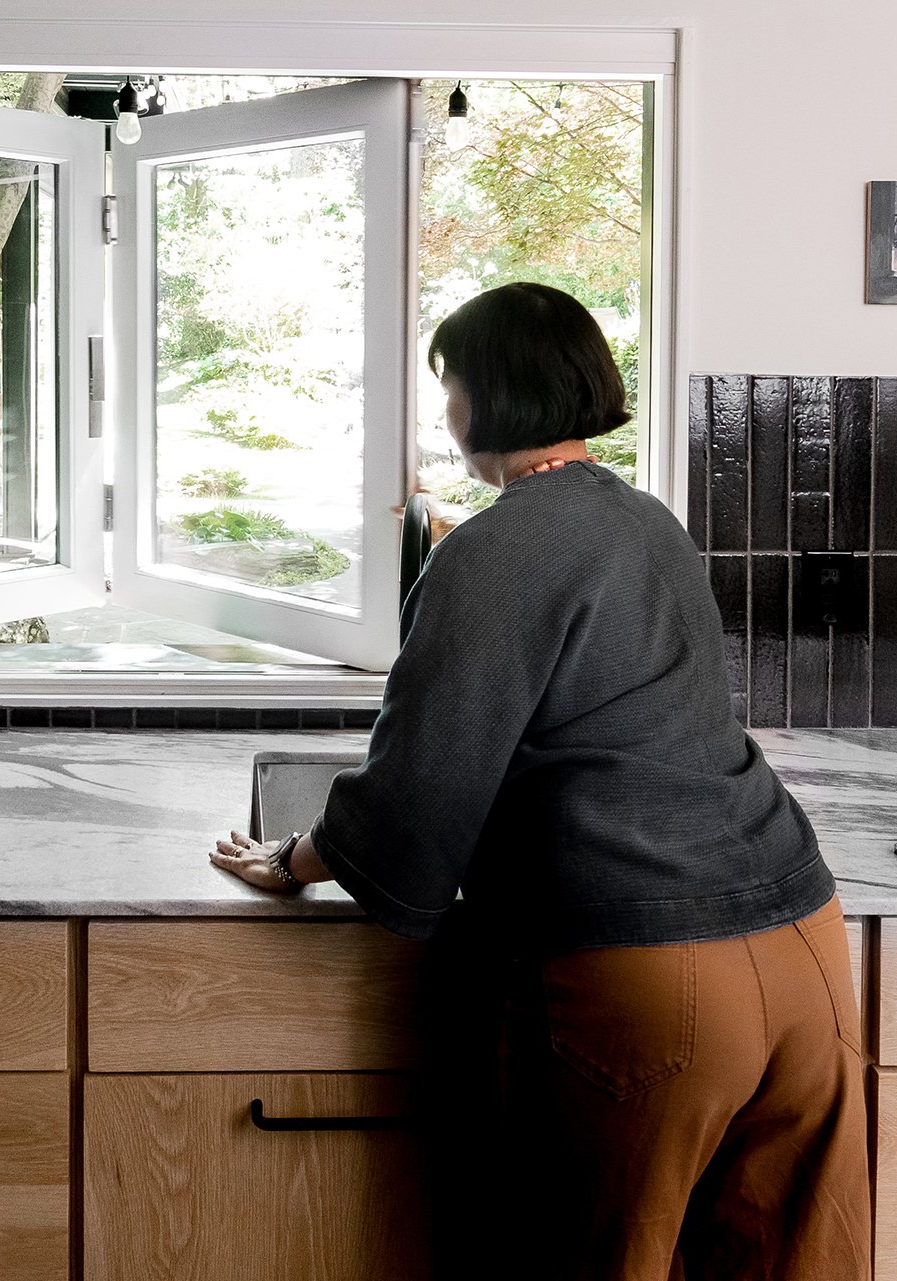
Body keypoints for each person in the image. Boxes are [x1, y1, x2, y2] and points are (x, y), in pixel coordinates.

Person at [209, 282, 869, 1280]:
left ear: (489, 395)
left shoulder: (490, 551)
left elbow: (419, 794)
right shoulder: (649, 521)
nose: (444, 410)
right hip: (803, 944)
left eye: (449, 385)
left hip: (651, 969)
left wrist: (296, 858)